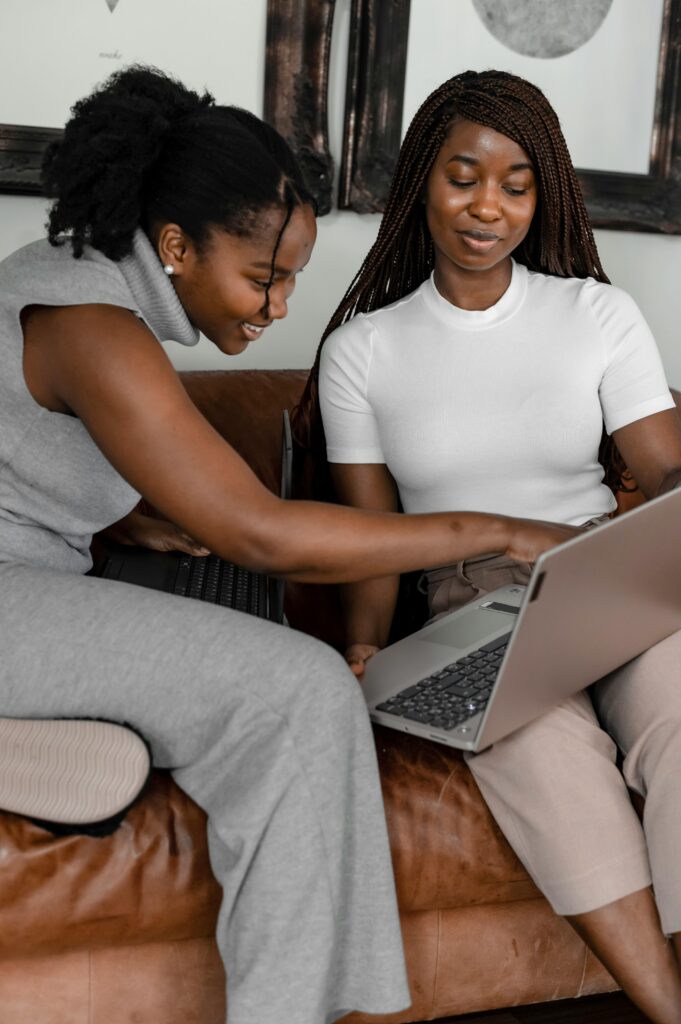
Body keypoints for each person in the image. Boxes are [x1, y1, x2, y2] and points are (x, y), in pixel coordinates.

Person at [0, 66, 574, 1024]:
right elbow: (260, 534)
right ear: (176, 244)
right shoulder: (91, 324)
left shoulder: (67, 278)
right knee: (300, 690)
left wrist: (117, 513)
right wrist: (501, 529)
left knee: (240, 680)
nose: (277, 307)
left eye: (293, 279)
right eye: (265, 276)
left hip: (29, 583)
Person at [299, 70, 681, 1024]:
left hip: (608, 573)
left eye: (515, 184)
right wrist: (361, 646)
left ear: (540, 194)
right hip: (472, 600)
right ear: (421, 180)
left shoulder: (596, 314)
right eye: (463, 176)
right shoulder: (363, 349)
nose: (488, 207)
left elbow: (664, 474)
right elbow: (376, 535)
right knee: (540, 753)